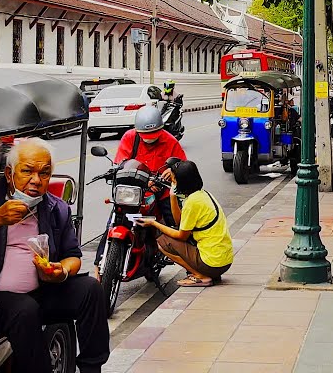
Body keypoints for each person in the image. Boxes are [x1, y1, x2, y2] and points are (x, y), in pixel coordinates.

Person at [0, 140, 109, 373]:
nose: (36, 180)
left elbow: (72, 255)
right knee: (25, 309)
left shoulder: (55, 208)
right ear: (9, 174)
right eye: (27, 171)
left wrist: (60, 271)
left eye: (44, 173)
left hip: (41, 292)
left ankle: (92, 368)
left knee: (91, 289)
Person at [95, 105, 188, 268]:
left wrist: (172, 170)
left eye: (154, 134)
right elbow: (121, 163)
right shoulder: (129, 137)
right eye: (145, 135)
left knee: (178, 225)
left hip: (161, 191)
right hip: (133, 190)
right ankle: (99, 267)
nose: (149, 139)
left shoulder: (170, 141)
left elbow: (182, 165)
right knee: (114, 220)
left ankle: (190, 266)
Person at [139, 160, 234, 288]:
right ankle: (206, 273)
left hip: (213, 264)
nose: (172, 183)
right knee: (171, 236)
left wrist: (153, 223)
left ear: (182, 182)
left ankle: (200, 276)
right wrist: (172, 196)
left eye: (173, 180)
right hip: (223, 261)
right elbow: (180, 223)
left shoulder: (192, 202)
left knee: (163, 242)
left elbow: (181, 236)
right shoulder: (202, 195)